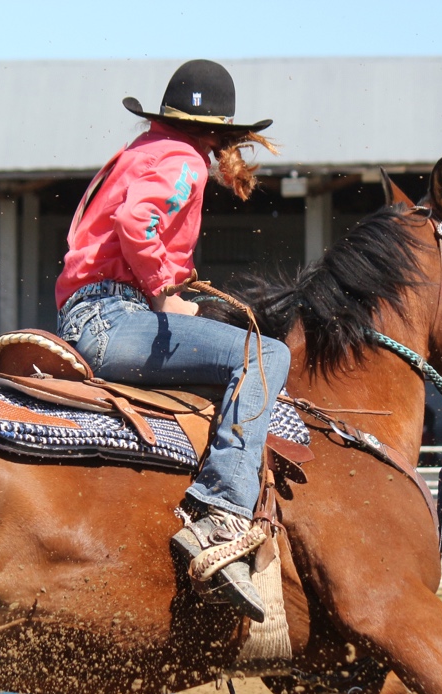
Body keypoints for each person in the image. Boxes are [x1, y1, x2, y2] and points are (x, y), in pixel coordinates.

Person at [54, 59, 283, 621]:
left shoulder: (136, 154)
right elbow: (139, 224)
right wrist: (164, 285)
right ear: (218, 133)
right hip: (114, 316)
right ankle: (223, 508)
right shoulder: (184, 160)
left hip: (86, 312)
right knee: (264, 353)